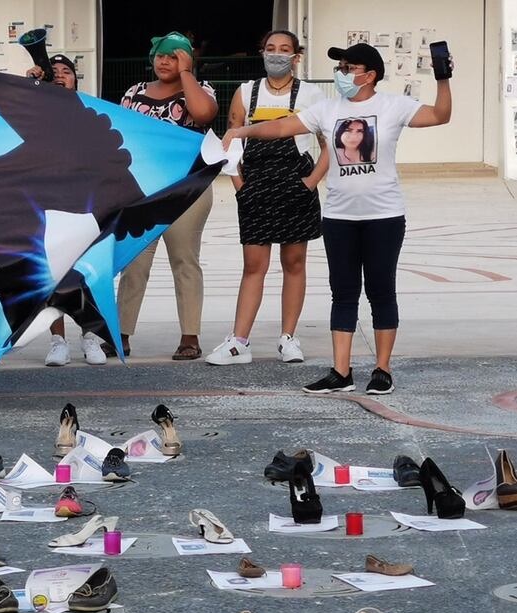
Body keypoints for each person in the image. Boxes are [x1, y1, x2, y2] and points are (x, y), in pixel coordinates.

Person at [222, 42, 452, 394]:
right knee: (343, 293)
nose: (342, 73)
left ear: (369, 75)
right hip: (339, 217)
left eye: (349, 67)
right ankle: (341, 372)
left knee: (380, 291)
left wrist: (443, 78)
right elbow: (283, 128)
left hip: (384, 215)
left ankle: (382, 369)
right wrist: (243, 131)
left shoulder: (393, 105)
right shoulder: (327, 109)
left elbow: (440, 116)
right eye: (341, 67)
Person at [206, 30, 327, 366]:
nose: (277, 54)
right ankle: (239, 342)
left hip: (295, 185)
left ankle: (288, 338)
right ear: (262, 53)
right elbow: (231, 144)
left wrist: (310, 182)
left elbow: (330, 145)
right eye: (271, 48)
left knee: (294, 263)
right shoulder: (246, 92)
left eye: (284, 49)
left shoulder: (313, 95)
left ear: (296, 56)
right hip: (256, 186)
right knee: (253, 266)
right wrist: (240, 186)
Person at [107, 32, 217, 361]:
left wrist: (187, 75)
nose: (164, 61)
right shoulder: (134, 92)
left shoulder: (200, 89)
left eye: (174, 55)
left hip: (189, 189)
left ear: (187, 59)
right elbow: (122, 135)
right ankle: (121, 334)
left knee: (185, 261)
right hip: (142, 190)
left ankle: (190, 337)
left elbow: (203, 115)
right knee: (134, 264)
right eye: (160, 55)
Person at [23, 54, 108, 366]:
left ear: (76, 79)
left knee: (87, 272)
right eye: (54, 72)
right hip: (48, 203)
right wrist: (30, 83)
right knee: (54, 273)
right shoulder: (37, 110)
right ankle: (58, 340)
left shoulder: (89, 110)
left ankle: (90, 337)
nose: (60, 75)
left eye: (66, 71)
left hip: (86, 203)